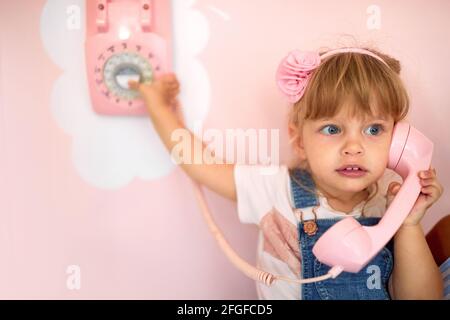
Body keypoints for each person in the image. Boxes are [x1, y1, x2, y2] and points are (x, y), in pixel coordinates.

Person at [128, 46, 444, 300]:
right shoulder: (274, 188)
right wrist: (158, 106)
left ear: (399, 141)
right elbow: (198, 163)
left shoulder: (390, 207)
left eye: (374, 129)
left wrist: (408, 224)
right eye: (332, 128)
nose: (354, 146)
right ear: (298, 138)